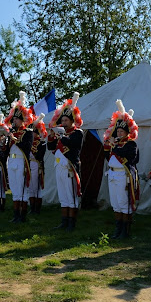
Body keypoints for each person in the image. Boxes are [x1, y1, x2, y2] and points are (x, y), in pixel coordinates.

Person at [103, 100, 140, 239]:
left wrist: (116, 146)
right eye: (117, 131)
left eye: (121, 131)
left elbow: (131, 156)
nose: (118, 133)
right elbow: (107, 157)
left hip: (123, 176)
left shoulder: (131, 144)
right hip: (112, 174)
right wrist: (108, 146)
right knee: (115, 204)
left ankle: (125, 230)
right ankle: (118, 229)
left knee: (124, 203)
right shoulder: (115, 144)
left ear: (126, 132)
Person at [48, 92, 84, 231]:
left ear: (72, 121)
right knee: (63, 196)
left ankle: (71, 223)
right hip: (59, 167)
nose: (63, 123)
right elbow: (50, 147)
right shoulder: (60, 134)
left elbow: (73, 145)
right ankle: (64, 221)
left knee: (71, 196)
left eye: (66, 121)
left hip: (70, 167)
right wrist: (51, 137)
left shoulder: (77, 133)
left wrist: (60, 135)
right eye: (62, 121)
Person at [5, 91, 34, 223]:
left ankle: (22, 215)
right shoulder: (12, 132)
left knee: (22, 190)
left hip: (21, 161)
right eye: (14, 119)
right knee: (15, 190)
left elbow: (27, 147)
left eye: (16, 119)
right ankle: (15, 215)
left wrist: (14, 139)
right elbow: (6, 150)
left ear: (22, 119)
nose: (14, 121)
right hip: (11, 161)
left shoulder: (28, 132)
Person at [28, 113, 47, 215]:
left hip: (37, 165)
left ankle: (37, 208)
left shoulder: (42, 142)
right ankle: (32, 208)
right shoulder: (28, 142)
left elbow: (40, 155)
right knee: (31, 187)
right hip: (29, 165)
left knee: (37, 187)